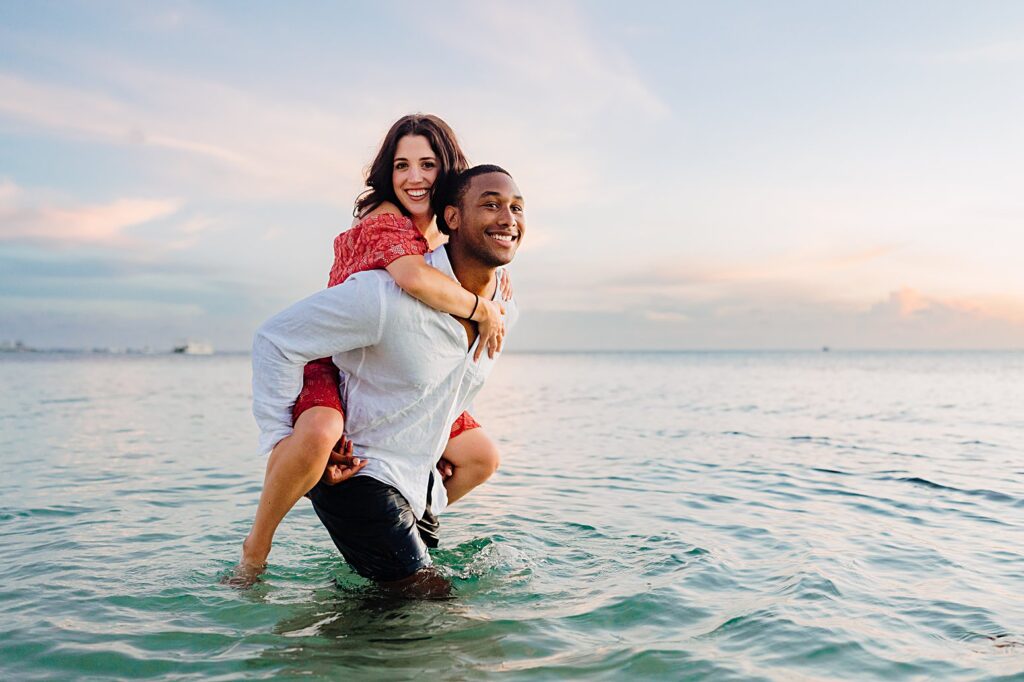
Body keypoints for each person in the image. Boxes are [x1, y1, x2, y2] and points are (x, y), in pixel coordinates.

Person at [235, 115, 510, 582]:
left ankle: (407, 507)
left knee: (481, 456)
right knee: (320, 433)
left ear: (449, 172)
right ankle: (257, 547)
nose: (414, 178)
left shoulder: (442, 234)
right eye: (402, 165)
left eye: (428, 164)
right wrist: (482, 309)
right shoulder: (384, 218)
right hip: (334, 354)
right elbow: (409, 279)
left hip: (388, 367)